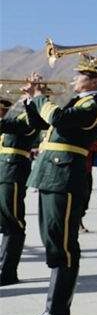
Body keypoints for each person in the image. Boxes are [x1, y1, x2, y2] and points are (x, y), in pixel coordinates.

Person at [16, 63, 97, 315]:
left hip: (66, 176)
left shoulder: (94, 104)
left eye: (80, 74)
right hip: (51, 174)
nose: (74, 78)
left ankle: (58, 314)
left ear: (94, 81)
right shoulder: (79, 101)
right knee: (52, 243)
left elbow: (57, 118)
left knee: (63, 246)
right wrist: (30, 99)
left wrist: (41, 97)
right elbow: (39, 122)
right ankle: (51, 310)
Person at [0, 97, 41, 286]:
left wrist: (31, 100)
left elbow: (22, 128)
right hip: (3, 170)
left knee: (12, 221)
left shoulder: (30, 117)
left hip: (13, 171)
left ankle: (7, 271)